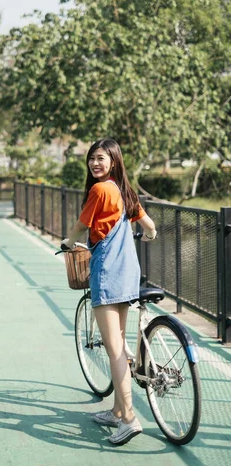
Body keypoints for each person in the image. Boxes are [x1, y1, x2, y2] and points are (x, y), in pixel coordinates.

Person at [61, 138, 157, 446]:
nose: (94, 163)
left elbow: (79, 227)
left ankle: (129, 418)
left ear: (112, 161)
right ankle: (117, 409)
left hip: (107, 272)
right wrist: (148, 235)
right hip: (129, 271)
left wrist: (66, 243)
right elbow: (150, 227)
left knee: (115, 349)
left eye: (100, 158)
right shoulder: (124, 191)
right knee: (119, 342)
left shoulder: (99, 190)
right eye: (91, 159)